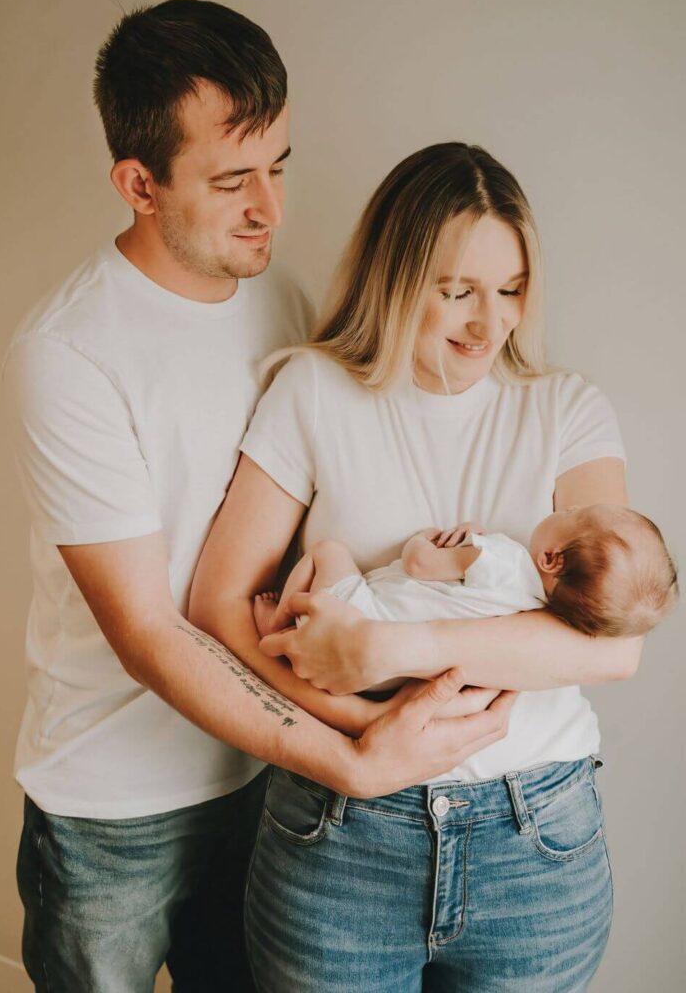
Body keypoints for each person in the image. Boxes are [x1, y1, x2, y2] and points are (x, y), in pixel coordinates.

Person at [4, 5, 514, 993]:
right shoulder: (66, 353)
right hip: (112, 804)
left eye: (278, 166)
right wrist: (354, 760)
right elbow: (149, 631)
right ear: (137, 184)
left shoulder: (282, 304)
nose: (271, 210)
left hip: (264, 780)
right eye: (232, 180)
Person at [189, 142, 649, 991]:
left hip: (534, 840)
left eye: (509, 290)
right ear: (397, 277)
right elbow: (217, 605)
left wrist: (380, 655)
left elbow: (609, 647)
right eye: (457, 291)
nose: (490, 322)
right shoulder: (313, 391)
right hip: (338, 832)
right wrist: (351, 725)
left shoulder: (566, 410)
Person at [254, 506, 678, 653]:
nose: (566, 510)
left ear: (550, 557)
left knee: (328, 552)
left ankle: (277, 623)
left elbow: (421, 565)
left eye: (574, 515)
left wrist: (422, 540)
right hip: (391, 665)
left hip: (361, 614)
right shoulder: (533, 608)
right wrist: (479, 539)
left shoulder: (504, 560)